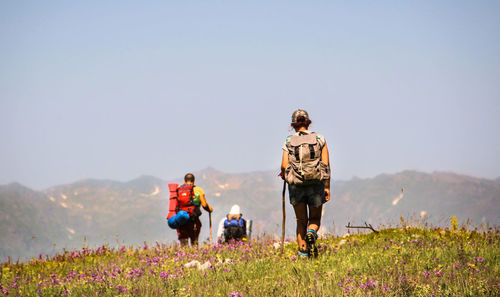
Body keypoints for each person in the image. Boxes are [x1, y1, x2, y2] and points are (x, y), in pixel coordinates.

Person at [281, 109, 331, 258]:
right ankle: (312, 232)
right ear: (308, 122)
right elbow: (326, 165)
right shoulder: (319, 138)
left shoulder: (288, 141)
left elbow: (284, 165)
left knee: (301, 221)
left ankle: (303, 255)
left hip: (296, 185)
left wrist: (286, 175)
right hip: (316, 184)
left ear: (293, 125)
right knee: (314, 219)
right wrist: (327, 187)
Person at [176, 173, 213, 247]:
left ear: (184, 181)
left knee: (183, 244)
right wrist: (210, 209)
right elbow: (204, 205)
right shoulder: (198, 190)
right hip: (193, 220)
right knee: (194, 242)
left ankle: (183, 257)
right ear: (194, 181)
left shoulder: (178, 190)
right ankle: (194, 256)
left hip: (181, 220)